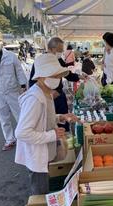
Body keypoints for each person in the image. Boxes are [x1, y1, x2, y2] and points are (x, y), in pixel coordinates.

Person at [15, 54, 78, 195]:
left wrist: (60, 117)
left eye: (58, 76)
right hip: (36, 156)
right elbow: (22, 132)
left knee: (44, 184)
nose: (57, 79)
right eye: (53, 76)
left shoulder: (46, 93)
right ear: (40, 76)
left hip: (43, 152)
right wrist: (52, 135)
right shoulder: (34, 99)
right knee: (40, 192)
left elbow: (43, 118)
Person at [29, 37, 86, 131]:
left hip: (59, 95)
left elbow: (67, 73)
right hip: (46, 97)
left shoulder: (58, 60)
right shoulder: (41, 61)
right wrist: (48, 92)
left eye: (61, 50)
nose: (60, 53)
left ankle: (63, 137)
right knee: (48, 123)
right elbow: (32, 82)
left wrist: (79, 76)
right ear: (51, 48)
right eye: (59, 50)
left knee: (62, 122)